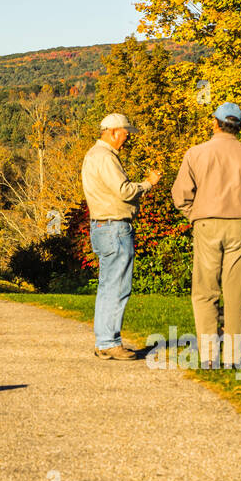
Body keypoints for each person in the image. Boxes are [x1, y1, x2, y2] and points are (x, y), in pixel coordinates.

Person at [171, 102, 241, 368]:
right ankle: (232, 356)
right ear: (239, 126)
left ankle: (208, 355)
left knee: (205, 290)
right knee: (237, 291)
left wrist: (195, 214)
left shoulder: (196, 153)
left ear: (214, 122)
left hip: (206, 223)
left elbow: (180, 195)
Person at [81, 113, 162, 360]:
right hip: (115, 227)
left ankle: (104, 341)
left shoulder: (93, 155)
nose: (127, 139)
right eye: (126, 134)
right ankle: (109, 342)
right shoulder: (106, 157)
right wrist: (148, 183)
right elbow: (124, 191)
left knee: (108, 286)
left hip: (102, 226)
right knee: (118, 286)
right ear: (113, 131)